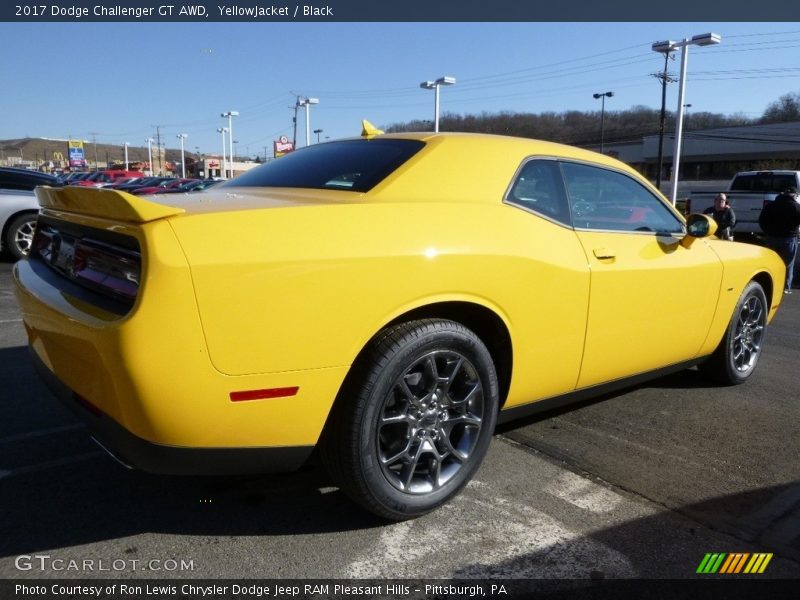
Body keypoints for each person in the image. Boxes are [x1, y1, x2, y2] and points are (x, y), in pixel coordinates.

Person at [759, 187, 800, 294]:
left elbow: (761, 221)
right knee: (788, 264)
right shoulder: (796, 207)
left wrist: (767, 231)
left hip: (771, 238)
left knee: (770, 263)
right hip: (789, 240)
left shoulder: (770, 206)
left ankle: (769, 285)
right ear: (794, 195)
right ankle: (785, 287)